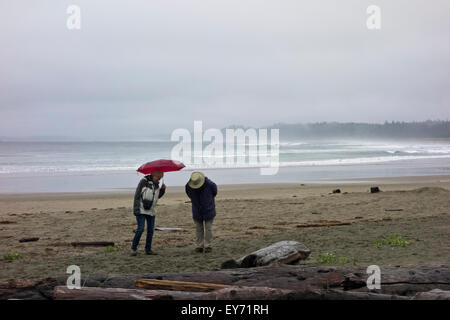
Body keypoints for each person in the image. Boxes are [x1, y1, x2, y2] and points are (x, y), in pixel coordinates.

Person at [131, 170, 166, 256]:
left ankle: (148, 249)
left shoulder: (157, 185)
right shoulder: (144, 181)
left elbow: (157, 197)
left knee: (150, 230)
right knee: (141, 229)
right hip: (141, 209)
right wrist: (136, 210)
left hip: (151, 211)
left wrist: (162, 190)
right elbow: (137, 195)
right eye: (158, 178)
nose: (159, 180)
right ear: (154, 175)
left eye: (160, 178)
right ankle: (133, 248)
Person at [185, 172, 217, 253]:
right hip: (197, 210)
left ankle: (207, 246)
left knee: (208, 228)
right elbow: (214, 192)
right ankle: (199, 246)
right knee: (199, 229)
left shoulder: (210, 184)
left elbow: (214, 192)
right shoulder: (189, 186)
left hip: (208, 209)